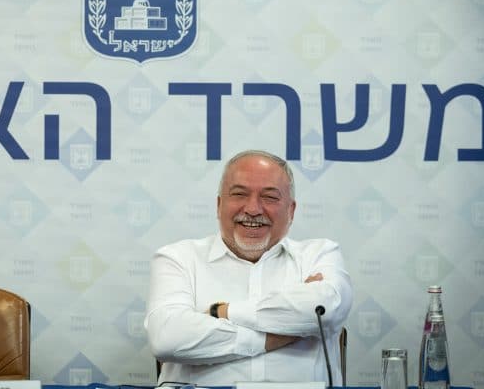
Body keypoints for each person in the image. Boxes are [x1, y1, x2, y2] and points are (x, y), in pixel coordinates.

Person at [145, 149, 353, 386]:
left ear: (291, 210)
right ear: (219, 205)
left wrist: (223, 312)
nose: (253, 209)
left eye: (270, 197)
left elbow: (324, 310)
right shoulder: (178, 258)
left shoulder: (319, 254)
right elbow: (167, 338)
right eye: (239, 194)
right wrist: (276, 335)